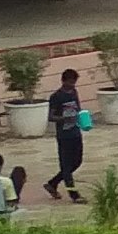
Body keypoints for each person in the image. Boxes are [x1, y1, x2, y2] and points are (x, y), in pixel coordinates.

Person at [43, 65, 88, 202]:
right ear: (63, 81)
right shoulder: (56, 97)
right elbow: (50, 117)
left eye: (74, 82)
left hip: (75, 132)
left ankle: (53, 183)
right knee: (66, 165)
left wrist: (82, 118)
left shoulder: (74, 92)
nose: (72, 85)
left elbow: (78, 108)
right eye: (70, 82)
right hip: (64, 135)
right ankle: (74, 195)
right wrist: (64, 119)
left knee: (77, 161)